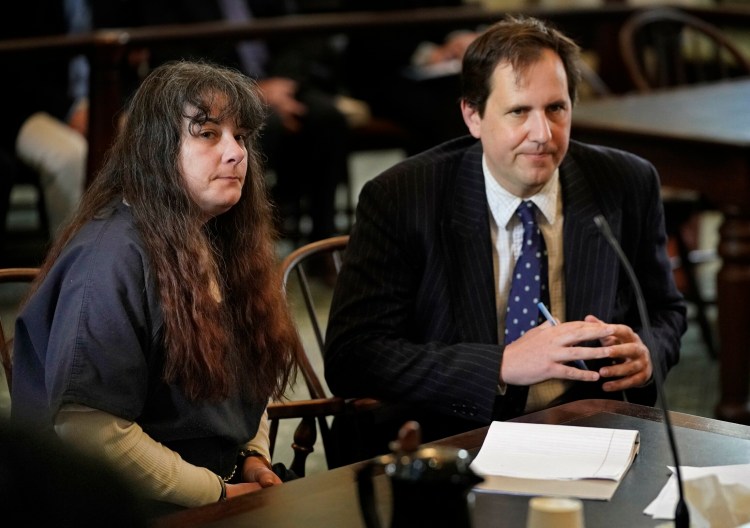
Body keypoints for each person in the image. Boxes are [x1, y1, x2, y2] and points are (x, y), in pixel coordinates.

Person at [324, 15, 687, 464]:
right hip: (448, 442)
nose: (543, 134)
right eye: (519, 111)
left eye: (557, 109)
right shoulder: (402, 197)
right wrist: (500, 364)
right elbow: (353, 356)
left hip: (589, 434)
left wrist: (646, 354)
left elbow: (665, 310)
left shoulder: (627, 182)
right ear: (472, 116)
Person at [10, 60, 299, 515]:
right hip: (124, 508)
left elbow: (248, 380)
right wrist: (216, 492)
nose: (235, 153)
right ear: (155, 149)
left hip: (214, 492)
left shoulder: (218, 235)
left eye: (240, 136)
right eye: (208, 133)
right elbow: (90, 431)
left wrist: (252, 456)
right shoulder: (109, 259)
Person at [0, 0, 89, 241]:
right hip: (23, 108)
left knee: (149, 137)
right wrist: (71, 109)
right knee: (69, 156)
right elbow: (16, 67)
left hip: (106, 98)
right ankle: (71, 270)